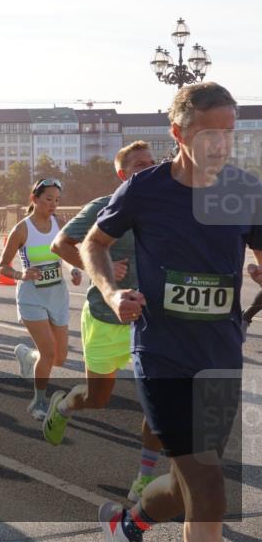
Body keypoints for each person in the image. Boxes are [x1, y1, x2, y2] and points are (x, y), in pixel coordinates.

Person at [81, 83, 262, 542]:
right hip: (163, 354)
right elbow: (93, 244)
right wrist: (111, 291)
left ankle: (127, 525)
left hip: (219, 355)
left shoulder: (244, 191)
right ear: (178, 134)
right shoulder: (145, 189)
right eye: (209, 134)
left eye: (229, 133)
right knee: (209, 488)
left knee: (189, 487)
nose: (221, 144)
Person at [47, 141, 162, 502]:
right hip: (103, 317)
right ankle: (63, 405)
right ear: (122, 173)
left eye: (151, 163)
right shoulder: (104, 206)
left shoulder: (168, 209)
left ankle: (144, 477)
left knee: (157, 401)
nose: (147, 168)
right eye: (139, 165)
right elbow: (61, 245)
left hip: (149, 320)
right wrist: (103, 271)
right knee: (98, 398)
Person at [0, 179, 82, 420]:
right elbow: (2, 266)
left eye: (57, 200)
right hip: (31, 297)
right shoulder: (22, 229)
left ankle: (29, 357)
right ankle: (38, 401)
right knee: (48, 353)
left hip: (57, 295)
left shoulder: (60, 223)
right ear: (34, 199)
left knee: (60, 357)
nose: (53, 204)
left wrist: (73, 269)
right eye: (48, 199)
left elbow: (66, 255)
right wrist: (20, 274)